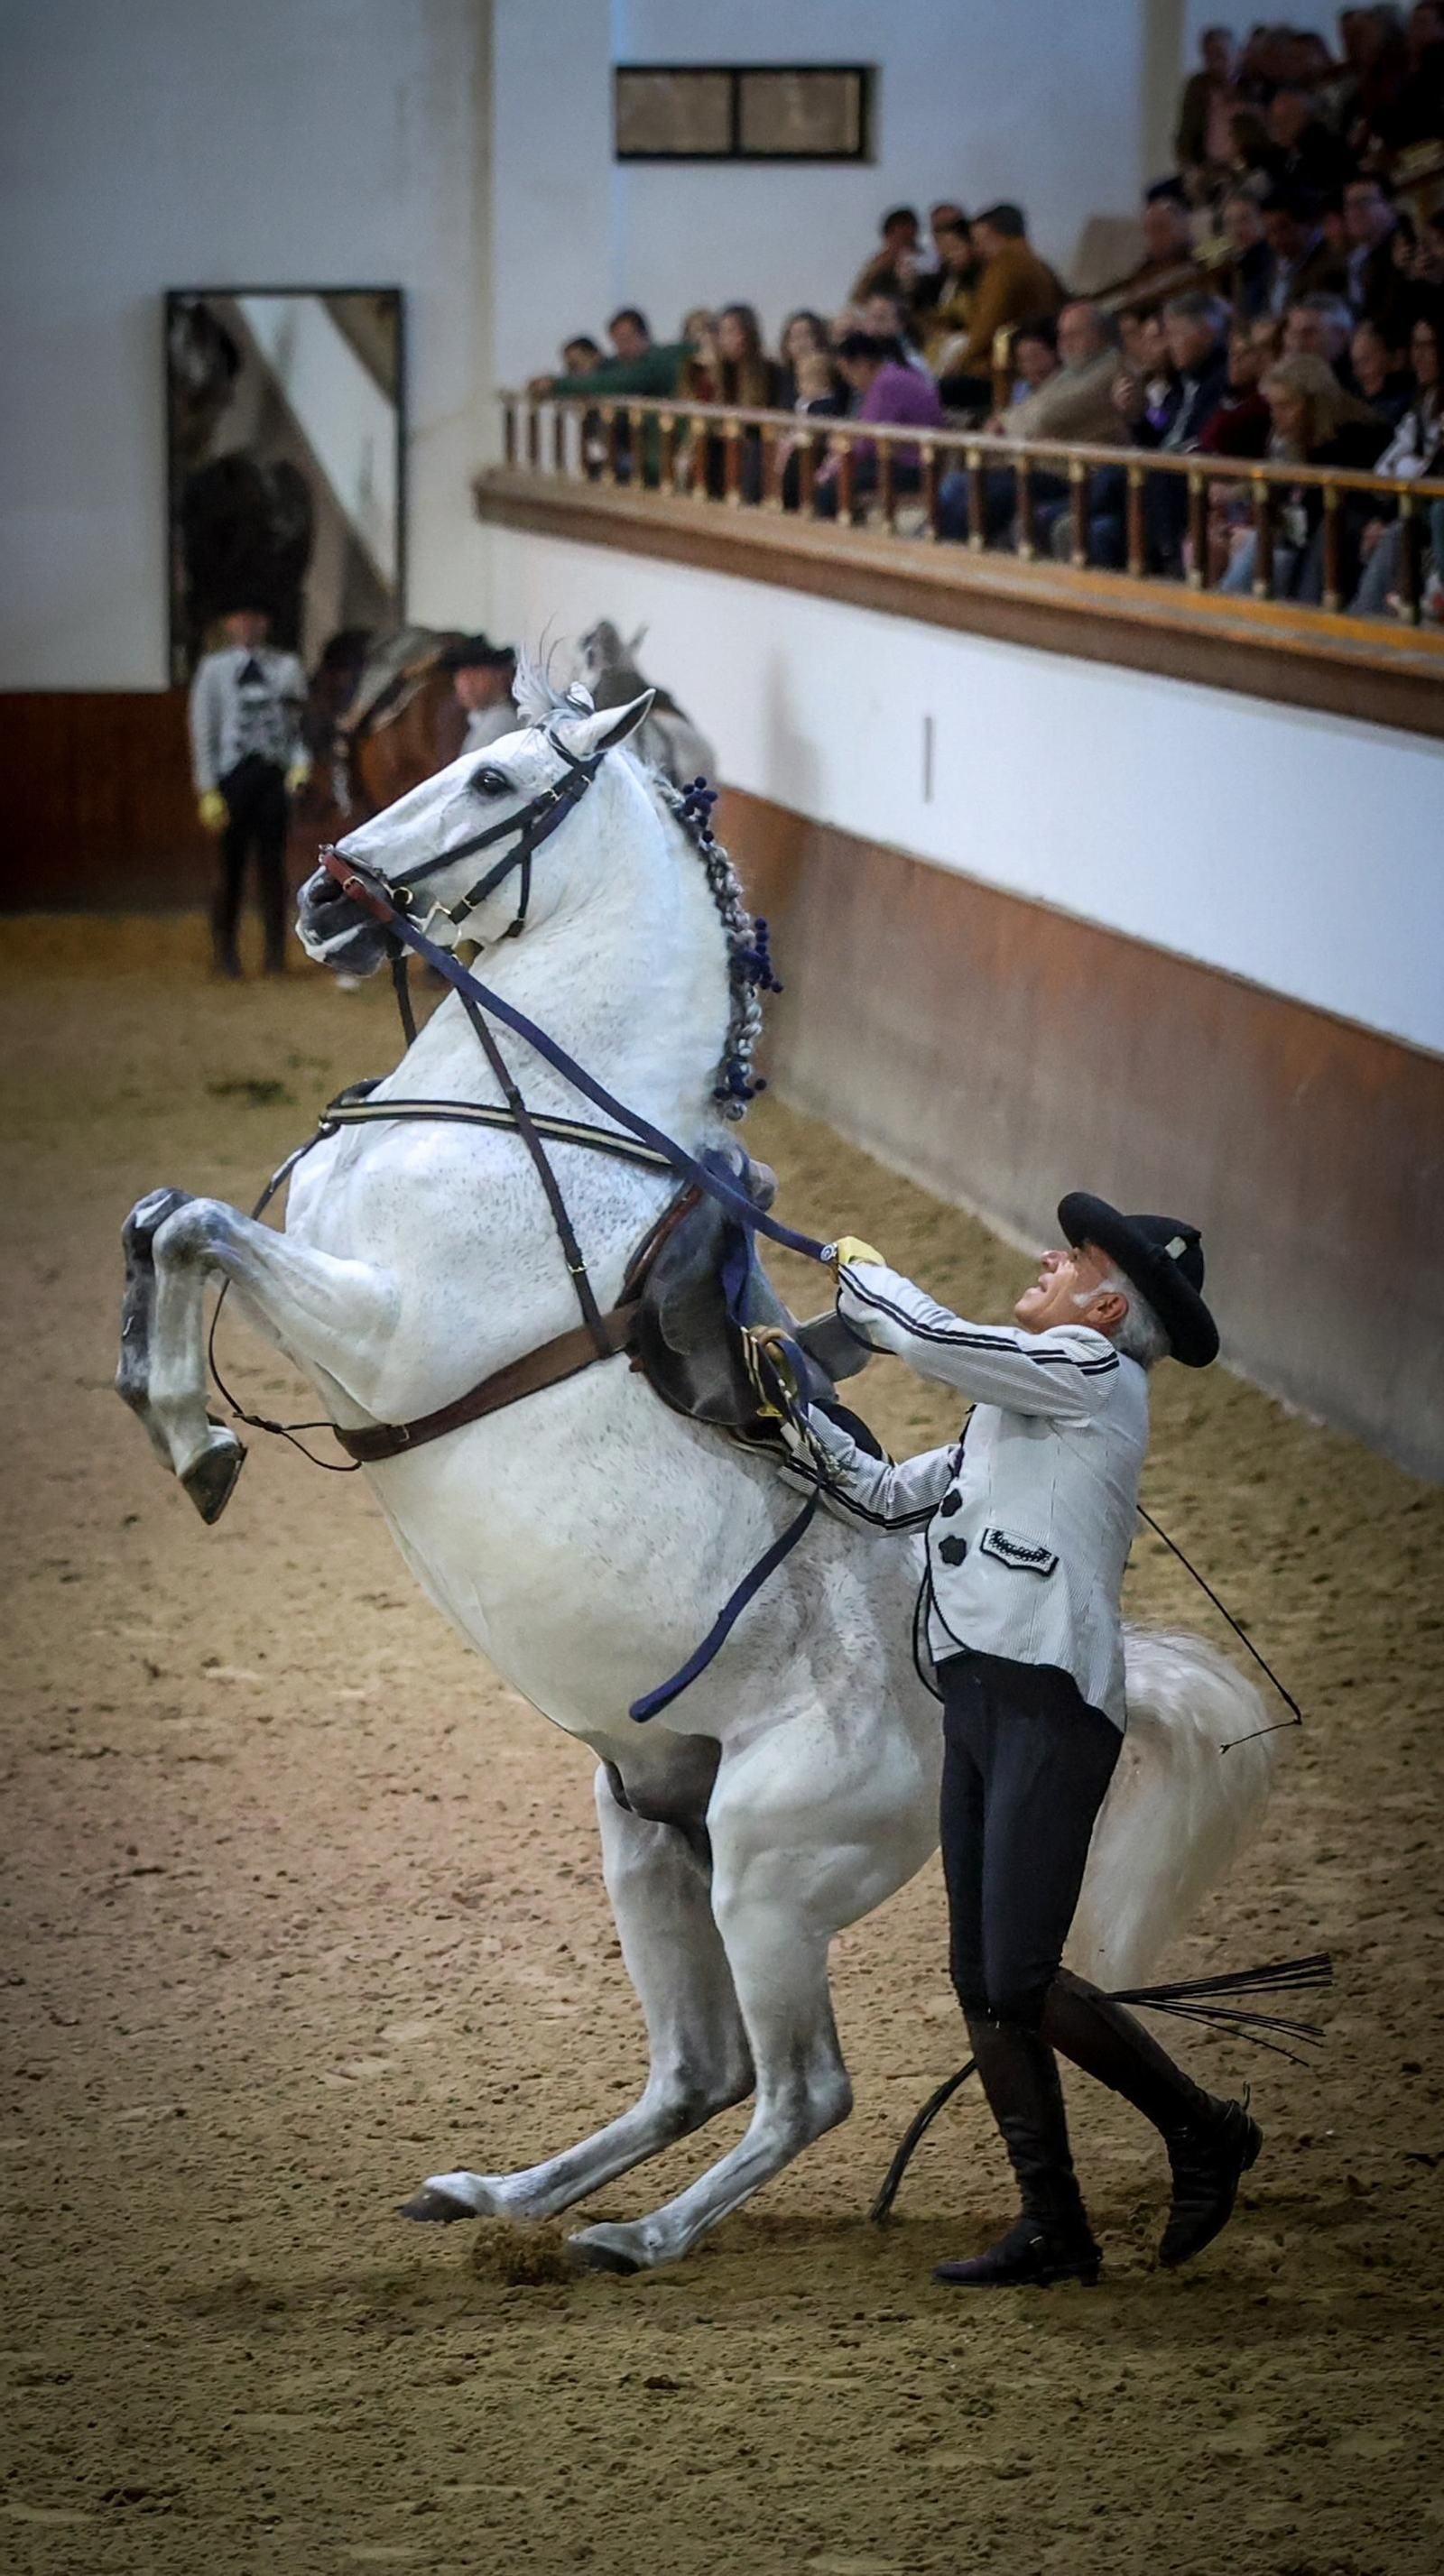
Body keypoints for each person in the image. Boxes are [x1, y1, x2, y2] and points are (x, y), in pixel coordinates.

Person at [771, 1205, 1258, 2289]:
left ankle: (1204, 2126)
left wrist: (871, 1280)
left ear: (1106, 1305)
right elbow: (891, 1496)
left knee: (1023, 1974)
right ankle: (1055, 2226)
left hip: (1046, 1704)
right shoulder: (1019, 1412)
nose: (1045, 1259)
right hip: (983, 1699)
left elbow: (938, 1338)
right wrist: (793, 1425)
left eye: (1070, 1259)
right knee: (984, 1978)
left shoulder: (1084, 1370)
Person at [188, 603, 309, 979]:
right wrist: (207, 786)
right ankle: (225, 951)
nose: (247, 626)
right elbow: (203, 729)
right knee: (230, 869)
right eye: (240, 619)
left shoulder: (286, 667)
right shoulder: (213, 670)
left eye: (254, 619)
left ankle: (275, 954)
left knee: (273, 868)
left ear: (265, 623)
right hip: (233, 777)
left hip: (272, 775)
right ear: (229, 623)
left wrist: (300, 762)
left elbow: (299, 724)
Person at [940, 303, 1121, 549]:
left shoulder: (1110, 369)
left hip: (1070, 474)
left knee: (973, 498)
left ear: (1099, 334)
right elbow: (1025, 411)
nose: (1065, 342)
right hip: (1038, 465)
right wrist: (1011, 422)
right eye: (1062, 335)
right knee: (955, 487)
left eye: (1074, 334)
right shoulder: (1073, 372)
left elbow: (1044, 416)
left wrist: (1007, 424)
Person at [933, 203, 1067, 410]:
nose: (977, 250)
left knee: (937, 391)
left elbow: (986, 328)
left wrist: (959, 362)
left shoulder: (1004, 268)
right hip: (1034, 361)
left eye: (979, 242)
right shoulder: (1039, 265)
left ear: (995, 235)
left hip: (1003, 370)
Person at [812, 332, 944, 516]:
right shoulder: (894, 375)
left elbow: (868, 440)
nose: (850, 381)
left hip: (912, 466)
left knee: (831, 489)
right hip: (903, 459)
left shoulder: (887, 383)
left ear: (861, 364)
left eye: (848, 373)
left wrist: (837, 462)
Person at [1258, 188, 1350, 316]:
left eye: (1282, 228)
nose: (1275, 239)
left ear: (1309, 223)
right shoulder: (1277, 263)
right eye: (1269, 232)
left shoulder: (1330, 264)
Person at [1175, 24, 1240, 182]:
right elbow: (1185, 136)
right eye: (1209, 57)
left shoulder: (1250, 88)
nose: (1215, 64)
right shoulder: (1198, 87)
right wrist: (1192, 166)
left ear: (1236, 54)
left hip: (1240, 170)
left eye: (1220, 56)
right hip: (1205, 168)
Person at [440, 634, 518, 752]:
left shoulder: (500, 722)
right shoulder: (481, 719)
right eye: (460, 675)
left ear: (499, 675)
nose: (464, 684)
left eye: (474, 674)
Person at [849, 205, 925, 309]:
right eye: (895, 237)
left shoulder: (926, 261)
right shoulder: (879, 262)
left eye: (905, 239)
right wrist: (877, 269)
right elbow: (856, 298)